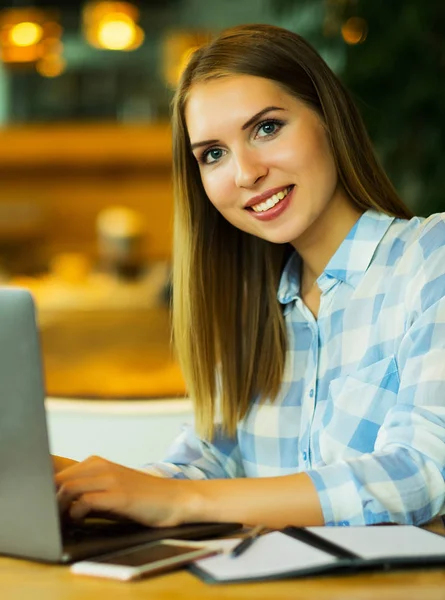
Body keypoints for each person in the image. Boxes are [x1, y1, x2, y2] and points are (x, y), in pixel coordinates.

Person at [55, 23, 445, 529]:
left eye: (266, 128)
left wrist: (181, 502)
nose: (245, 173)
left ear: (329, 118)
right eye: (213, 154)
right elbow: (205, 468)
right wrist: (72, 484)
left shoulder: (429, 258)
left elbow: (424, 471)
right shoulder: (250, 310)